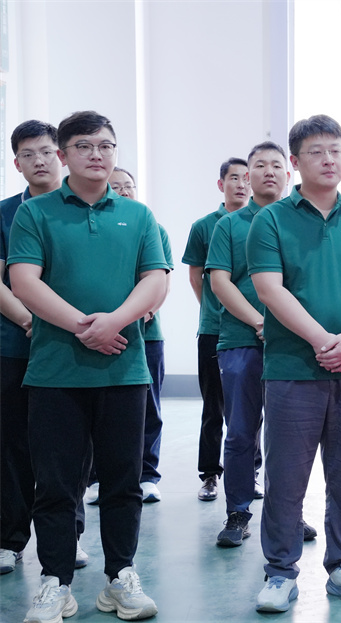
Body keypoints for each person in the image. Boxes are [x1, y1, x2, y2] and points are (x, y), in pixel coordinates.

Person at [8, 110, 163, 621]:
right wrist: (83, 327)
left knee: (122, 481)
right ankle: (56, 582)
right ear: (63, 154)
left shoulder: (138, 216)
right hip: (55, 372)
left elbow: (155, 281)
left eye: (105, 145)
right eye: (83, 146)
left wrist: (112, 323)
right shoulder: (36, 213)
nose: (96, 154)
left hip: (124, 370)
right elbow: (24, 281)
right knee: (55, 484)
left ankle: (120, 577)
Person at [248, 115, 341, 612]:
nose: (329, 160)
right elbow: (270, 289)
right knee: (286, 477)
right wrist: (322, 339)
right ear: (295, 161)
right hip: (292, 369)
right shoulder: (271, 220)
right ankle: (280, 572)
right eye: (317, 152)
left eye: (336, 150)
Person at [207, 142, 288, 547]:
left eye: (276, 165)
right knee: (240, 432)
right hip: (241, 342)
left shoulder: (298, 222)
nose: (268, 171)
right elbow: (219, 282)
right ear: (247, 175)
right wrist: (259, 321)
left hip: (293, 346)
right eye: (260, 165)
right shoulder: (230, 225)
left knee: (289, 436)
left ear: (288, 173)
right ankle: (237, 512)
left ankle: (288, 514)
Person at [0, 120, 66, 576]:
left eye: (46, 151)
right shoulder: (5, 213)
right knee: (11, 446)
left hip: (71, 346)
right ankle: (10, 539)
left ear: (60, 155)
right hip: (15, 345)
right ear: (16, 162)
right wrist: (29, 320)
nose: (39, 161)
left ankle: (67, 537)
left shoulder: (81, 207)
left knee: (67, 449)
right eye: (28, 154)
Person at [182, 158, 255, 502]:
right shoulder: (204, 226)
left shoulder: (263, 221)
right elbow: (197, 277)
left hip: (256, 331)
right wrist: (213, 310)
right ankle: (210, 475)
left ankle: (251, 473)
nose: (241, 184)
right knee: (214, 407)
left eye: (245, 178)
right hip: (214, 329)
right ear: (220, 184)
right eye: (234, 178)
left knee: (251, 410)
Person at [108, 167, 173, 504]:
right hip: (98, 332)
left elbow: (162, 281)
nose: (124, 191)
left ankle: (147, 475)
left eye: (129, 186)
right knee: (101, 409)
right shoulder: (99, 226)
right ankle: (97, 478)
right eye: (116, 186)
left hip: (146, 334)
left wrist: (140, 313)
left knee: (149, 407)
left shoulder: (153, 228)